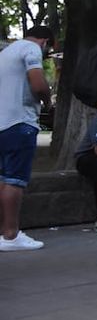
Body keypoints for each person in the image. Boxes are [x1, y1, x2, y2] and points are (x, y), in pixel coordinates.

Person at [0, 25, 54, 252]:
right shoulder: (31, 50)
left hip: (3, 122)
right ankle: (12, 235)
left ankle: (4, 231)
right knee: (15, 179)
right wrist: (48, 101)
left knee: (3, 178)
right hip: (20, 121)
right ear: (45, 41)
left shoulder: (6, 52)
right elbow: (38, 84)